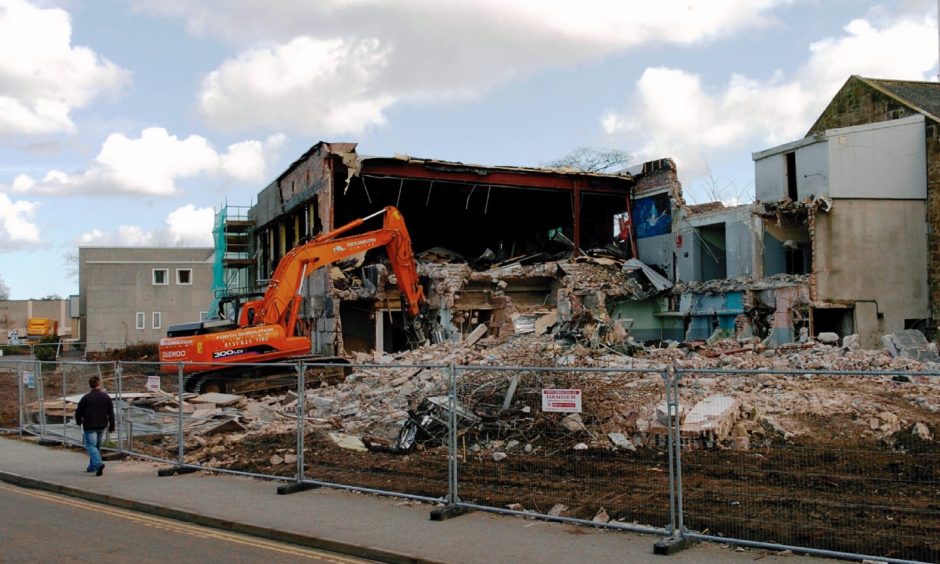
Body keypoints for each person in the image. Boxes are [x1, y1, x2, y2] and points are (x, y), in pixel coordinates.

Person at [75, 375, 115, 476]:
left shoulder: (86, 398)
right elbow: (110, 413)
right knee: (96, 446)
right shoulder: (106, 397)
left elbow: (78, 411)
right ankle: (92, 467)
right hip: (102, 425)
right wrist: (112, 425)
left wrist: (78, 421)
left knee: (90, 446)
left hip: (90, 425)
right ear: (99, 384)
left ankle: (98, 464)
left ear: (90, 385)